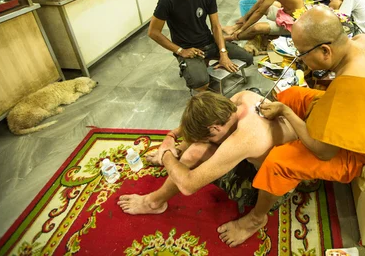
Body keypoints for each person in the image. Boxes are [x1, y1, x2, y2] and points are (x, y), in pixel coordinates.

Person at [217, 6, 365, 247]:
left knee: (279, 161)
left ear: (326, 50)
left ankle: (256, 218)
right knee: (293, 94)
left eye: (302, 54)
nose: (300, 60)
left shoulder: (350, 86)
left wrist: (286, 113)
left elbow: (323, 151)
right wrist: (288, 107)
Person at [118, 90, 297, 217]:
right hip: (270, 152)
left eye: (208, 135)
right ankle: (156, 199)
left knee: (192, 155)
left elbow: (188, 185)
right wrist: (171, 138)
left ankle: (153, 203)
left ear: (214, 127)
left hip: (277, 186)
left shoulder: (244, 139)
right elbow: (199, 126)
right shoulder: (242, 99)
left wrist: (166, 155)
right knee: (192, 151)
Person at [149, 0, 253, 92]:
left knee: (247, 59)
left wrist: (223, 53)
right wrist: (180, 50)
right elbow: (153, 32)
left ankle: (206, 61)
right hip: (189, 49)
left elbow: (216, 26)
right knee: (201, 83)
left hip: (209, 43)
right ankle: (190, 66)